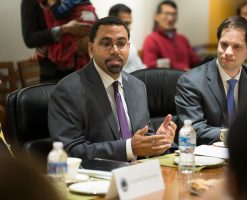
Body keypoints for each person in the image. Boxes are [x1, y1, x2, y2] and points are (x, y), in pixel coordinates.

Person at [48, 17, 177, 161]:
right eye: (106, 43)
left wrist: (156, 142)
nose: (115, 50)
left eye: (121, 44)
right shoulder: (68, 90)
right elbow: (69, 150)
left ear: (128, 47)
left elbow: (141, 141)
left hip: (139, 176)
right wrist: (129, 148)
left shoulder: (137, 87)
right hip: (97, 179)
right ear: (91, 49)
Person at [175, 16, 247, 145]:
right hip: (204, 157)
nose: (228, 52)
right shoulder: (191, 82)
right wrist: (238, 134)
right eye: (224, 44)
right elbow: (194, 129)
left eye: (237, 46)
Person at [21, 0, 92, 83]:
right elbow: (29, 39)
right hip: (54, 72)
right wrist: (64, 29)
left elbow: (92, 22)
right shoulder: (31, 2)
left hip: (83, 66)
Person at [35, 0, 98, 71]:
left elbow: (60, 13)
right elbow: (30, 39)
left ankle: (68, 59)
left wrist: (51, 2)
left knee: (68, 41)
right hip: (54, 71)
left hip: (81, 28)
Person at [142, 0, 200, 70]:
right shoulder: (151, 40)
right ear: (157, 16)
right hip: (168, 80)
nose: (170, 18)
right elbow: (150, 67)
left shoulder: (183, 39)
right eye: (166, 14)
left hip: (189, 78)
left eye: (173, 14)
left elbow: (196, 62)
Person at [108, 3, 146, 73]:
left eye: (129, 23)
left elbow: (141, 68)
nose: (128, 28)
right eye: (125, 23)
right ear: (112, 22)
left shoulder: (131, 45)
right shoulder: (106, 48)